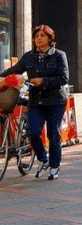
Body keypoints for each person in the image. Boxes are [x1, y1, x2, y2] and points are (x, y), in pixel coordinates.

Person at [0, 25, 68, 180]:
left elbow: (63, 78)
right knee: (33, 132)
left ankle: (54, 166)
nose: (39, 38)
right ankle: (43, 159)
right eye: (37, 36)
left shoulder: (59, 55)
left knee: (54, 134)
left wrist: (43, 81)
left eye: (43, 35)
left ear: (50, 39)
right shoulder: (29, 56)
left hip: (55, 101)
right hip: (36, 101)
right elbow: (13, 71)